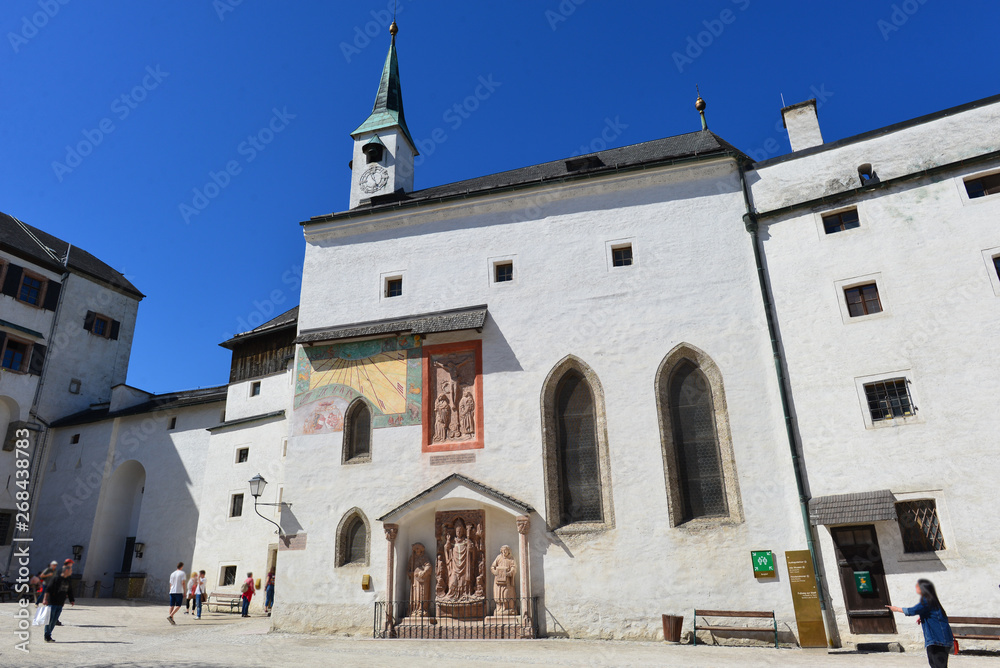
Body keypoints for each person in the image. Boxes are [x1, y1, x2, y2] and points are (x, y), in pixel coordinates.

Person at [886, 579, 954, 668]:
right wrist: (922, 616)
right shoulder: (931, 600)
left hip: (938, 639)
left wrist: (896, 609)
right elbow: (933, 614)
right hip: (937, 639)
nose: (916, 587)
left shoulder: (927, 601)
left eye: (917, 586)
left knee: (938, 665)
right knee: (935, 664)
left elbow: (913, 610)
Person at [41, 560, 75, 642]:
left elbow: (69, 591)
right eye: (70, 570)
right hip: (52, 602)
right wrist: (45, 599)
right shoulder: (56, 579)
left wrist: (71, 600)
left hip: (60, 603)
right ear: (66, 570)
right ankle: (47, 636)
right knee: (50, 620)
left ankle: (49, 635)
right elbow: (48, 589)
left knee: (54, 620)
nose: (71, 571)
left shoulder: (68, 580)